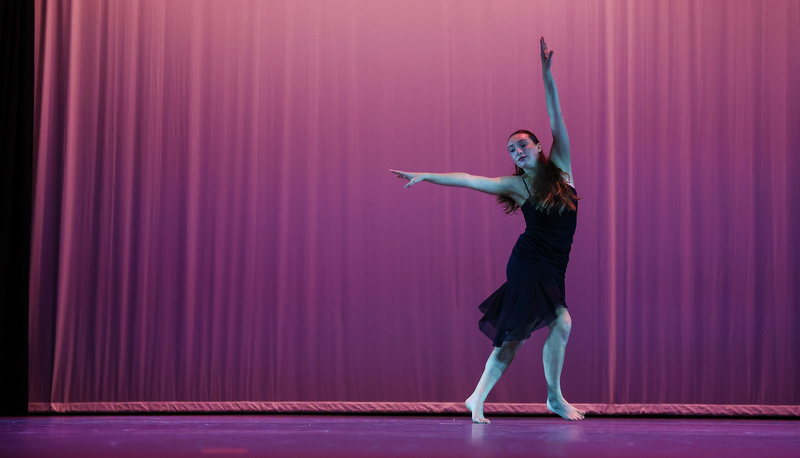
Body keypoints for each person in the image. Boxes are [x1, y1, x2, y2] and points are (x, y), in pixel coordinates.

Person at [390, 37, 585, 423]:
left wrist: (547, 75)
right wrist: (426, 175)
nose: (517, 152)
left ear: (538, 146)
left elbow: (556, 117)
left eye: (522, 145)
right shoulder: (515, 185)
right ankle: (548, 399)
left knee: (529, 332)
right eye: (511, 150)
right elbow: (468, 179)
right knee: (552, 324)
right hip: (529, 263)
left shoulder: (560, 167)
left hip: (554, 263)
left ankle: (482, 397)